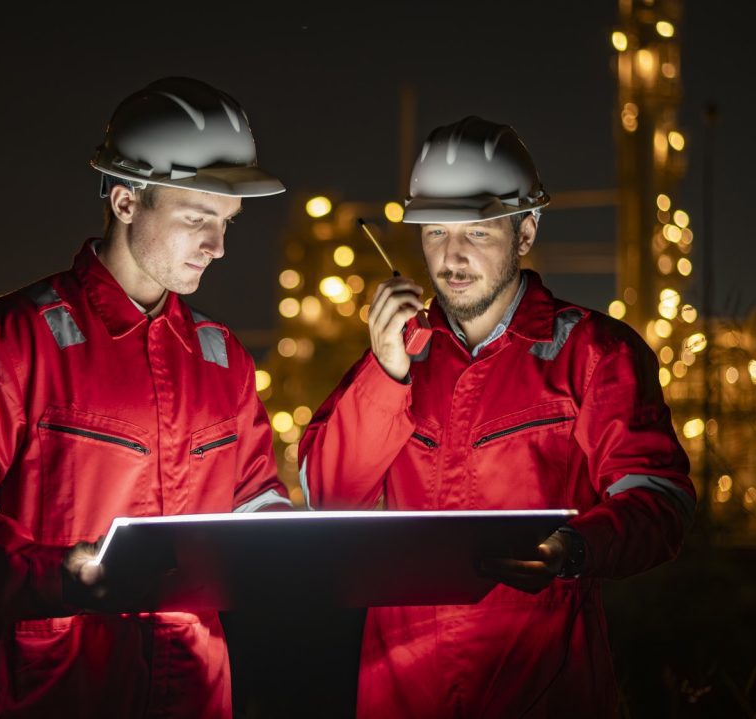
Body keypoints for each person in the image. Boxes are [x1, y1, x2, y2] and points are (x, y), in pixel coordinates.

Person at [0, 76, 292, 718]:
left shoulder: (222, 359)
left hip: (193, 692)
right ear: (126, 199)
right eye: (197, 219)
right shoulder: (19, 339)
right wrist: (55, 574)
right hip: (54, 691)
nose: (218, 248)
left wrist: (297, 541)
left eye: (226, 224)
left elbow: (255, 499)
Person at [297, 116, 696, 718]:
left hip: (543, 692)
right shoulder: (397, 358)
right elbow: (327, 494)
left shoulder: (592, 355)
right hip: (403, 696)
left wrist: (573, 548)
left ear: (525, 229)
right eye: (435, 231)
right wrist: (384, 375)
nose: (451, 257)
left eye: (477, 232)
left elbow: (660, 497)